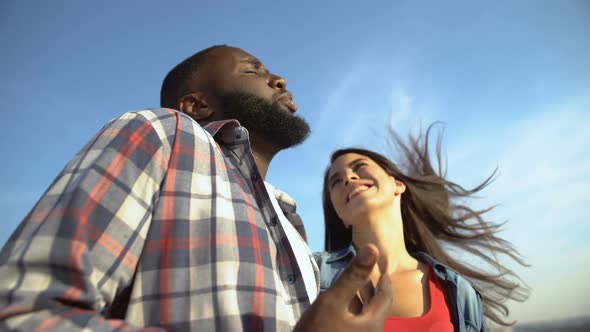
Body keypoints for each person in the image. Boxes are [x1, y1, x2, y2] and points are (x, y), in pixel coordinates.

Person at [0, 45, 393, 331]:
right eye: (253, 71)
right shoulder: (162, 132)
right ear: (195, 105)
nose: (279, 79)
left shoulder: (291, 223)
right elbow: (23, 309)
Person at [314, 125, 529, 332]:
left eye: (359, 167)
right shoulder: (311, 272)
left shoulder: (458, 292)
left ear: (398, 184)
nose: (348, 178)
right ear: (339, 215)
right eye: (336, 181)